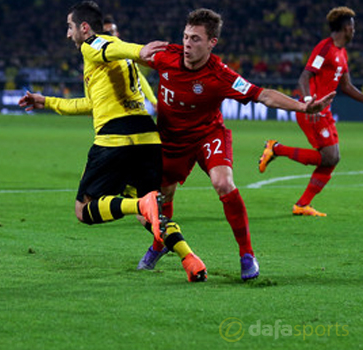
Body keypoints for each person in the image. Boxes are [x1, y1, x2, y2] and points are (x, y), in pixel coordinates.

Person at [127, 9, 335, 280]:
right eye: (186, 37)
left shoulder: (220, 75)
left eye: (196, 39)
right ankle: (159, 244)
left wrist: (303, 106)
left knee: (224, 183)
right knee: (162, 197)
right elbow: (126, 54)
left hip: (207, 136)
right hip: (171, 140)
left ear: (212, 43)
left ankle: (247, 255)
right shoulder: (166, 55)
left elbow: (264, 95)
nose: (188, 44)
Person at [18, 1, 207, 282]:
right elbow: (90, 103)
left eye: (70, 27)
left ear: (84, 27)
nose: (68, 34)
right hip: (147, 138)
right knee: (150, 219)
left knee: (84, 210)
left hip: (116, 138)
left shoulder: (93, 45)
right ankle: (190, 259)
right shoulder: (110, 61)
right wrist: (46, 101)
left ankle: (139, 204)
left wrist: (139, 50)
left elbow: (108, 46)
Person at [258, 6, 362, 217]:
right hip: (312, 110)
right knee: (330, 156)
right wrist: (308, 102)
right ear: (345, 27)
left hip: (325, 112)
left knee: (332, 158)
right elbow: (304, 77)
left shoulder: (342, 53)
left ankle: (302, 204)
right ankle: (276, 148)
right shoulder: (325, 48)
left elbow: (347, 87)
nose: (355, 30)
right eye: (353, 26)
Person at [103, 15, 158, 114]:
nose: (109, 36)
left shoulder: (125, 53)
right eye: (106, 33)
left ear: (117, 34)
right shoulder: (96, 55)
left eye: (111, 32)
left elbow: (138, 77)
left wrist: (153, 100)